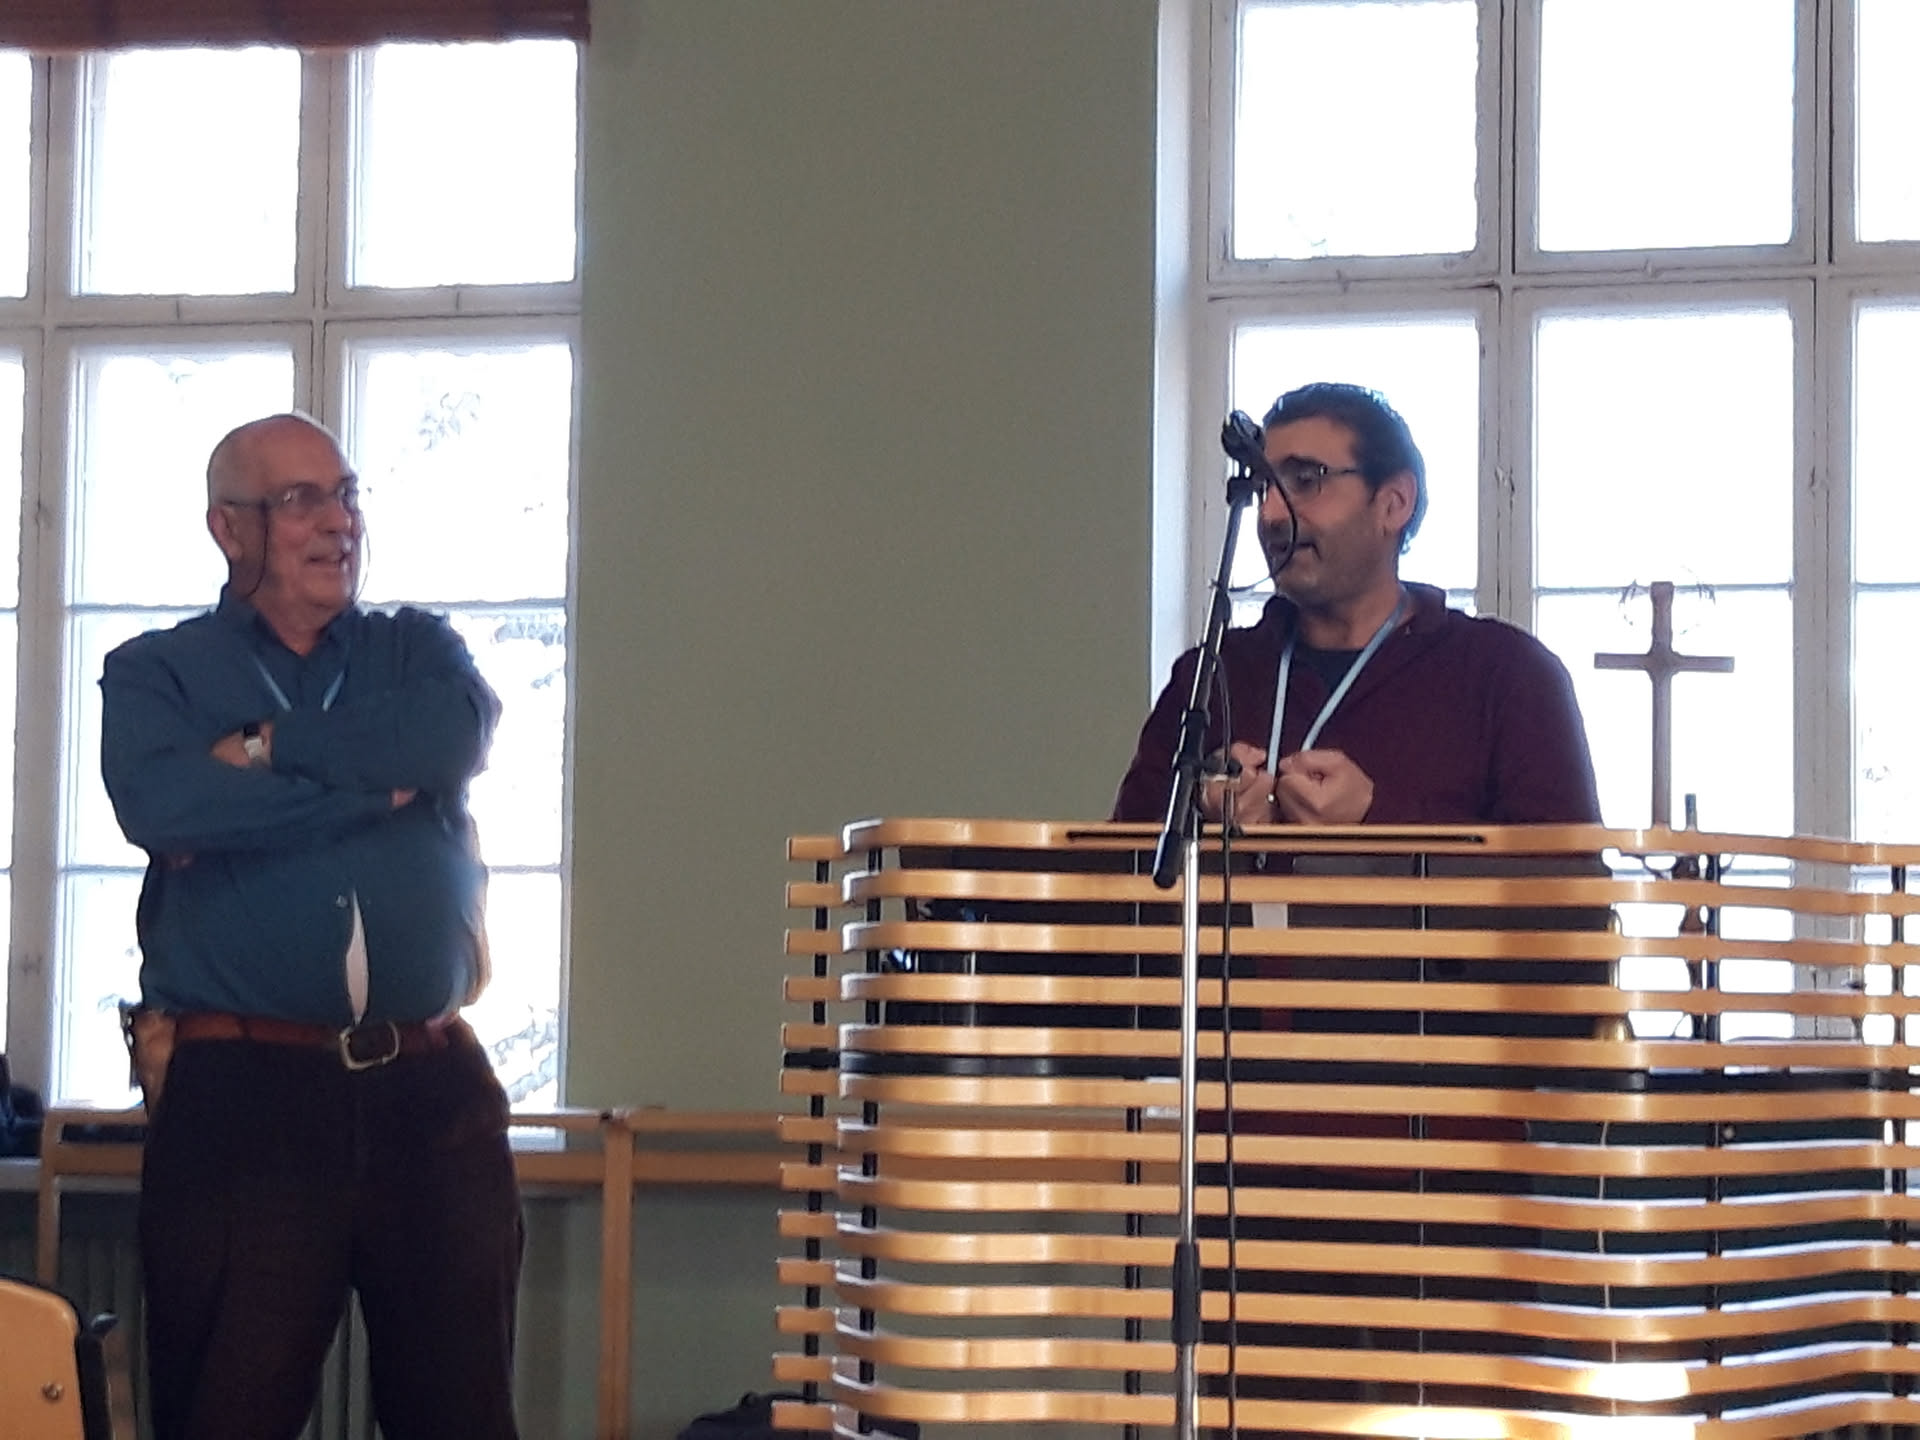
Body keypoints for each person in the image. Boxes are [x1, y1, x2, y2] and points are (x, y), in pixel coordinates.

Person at [99, 413, 520, 1440]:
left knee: (461, 1414)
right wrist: (379, 790)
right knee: (227, 1412)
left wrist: (264, 748)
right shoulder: (157, 673)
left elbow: (451, 735)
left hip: (432, 1092)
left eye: (345, 494)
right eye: (301, 500)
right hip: (245, 1094)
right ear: (228, 528)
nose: (339, 522)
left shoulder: (415, 648)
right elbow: (165, 806)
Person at [1113, 381, 1600, 829]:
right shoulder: (1210, 677)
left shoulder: (1508, 674)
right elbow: (1111, 875)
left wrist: (1377, 819)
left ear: (1394, 503)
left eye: (1307, 480)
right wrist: (1200, 819)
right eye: (1263, 487)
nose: (1271, 513)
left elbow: (1567, 882)